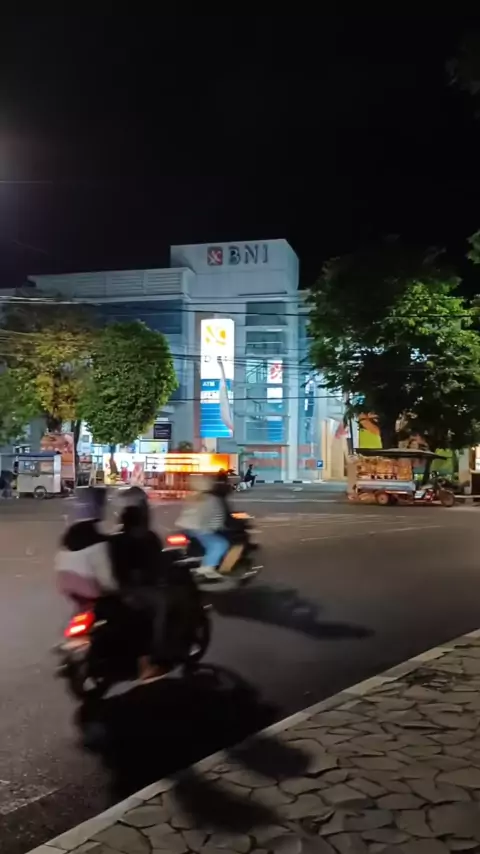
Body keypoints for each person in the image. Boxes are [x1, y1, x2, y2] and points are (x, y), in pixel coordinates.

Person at [110, 486, 172, 680]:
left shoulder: (115, 538)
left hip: (111, 587)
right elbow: (155, 566)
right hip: (132, 590)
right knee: (161, 606)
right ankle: (152, 660)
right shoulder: (147, 539)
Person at [55, 487, 116, 605]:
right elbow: (107, 579)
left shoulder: (70, 534)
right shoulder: (99, 541)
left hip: (65, 585)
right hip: (90, 590)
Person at [176, 475, 229, 580]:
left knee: (209, 543)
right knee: (220, 544)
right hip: (200, 529)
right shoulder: (211, 499)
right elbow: (216, 516)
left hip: (186, 527)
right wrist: (218, 526)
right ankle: (207, 568)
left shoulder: (192, 497)